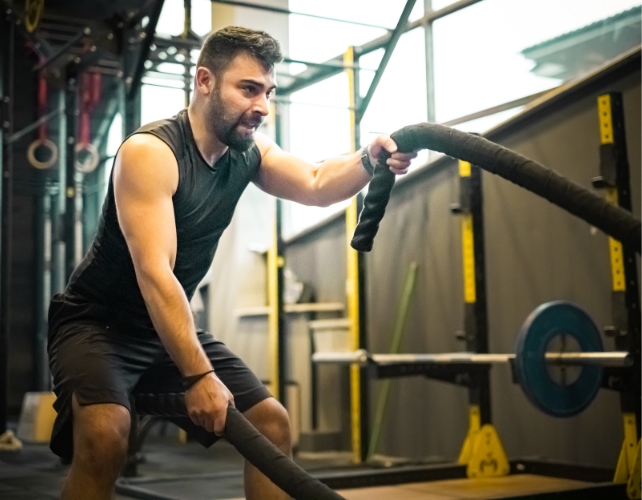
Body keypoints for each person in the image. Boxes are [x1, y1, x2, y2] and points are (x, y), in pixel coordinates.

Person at [47, 25, 416, 500]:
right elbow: (155, 274)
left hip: (163, 326)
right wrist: (199, 376)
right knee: (105, 433)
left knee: (269, 422)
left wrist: (369, 159)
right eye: (248, 89)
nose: (262, 105)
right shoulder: (150, 152)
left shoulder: (248, 151)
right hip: (98, 325)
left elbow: (317, 181)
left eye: (268, 92)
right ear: (205, 81)